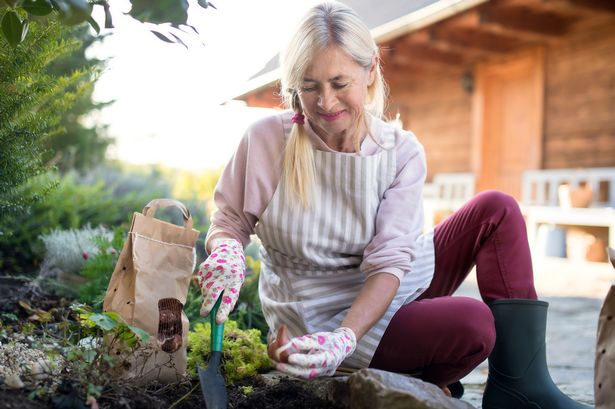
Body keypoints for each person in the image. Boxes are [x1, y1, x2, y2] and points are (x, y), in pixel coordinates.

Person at [195, 2, 590, 407]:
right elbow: (230, 219)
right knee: (472, 324)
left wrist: (348, 336)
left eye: (338, 82)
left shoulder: (399, 151)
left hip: (383, 289)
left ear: (369, 73)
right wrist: (226, 249)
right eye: (309, 86)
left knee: (497, 208)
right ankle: (412, 375)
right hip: (316, 315)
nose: (326, 102)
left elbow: (388, 264)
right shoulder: (267, 139)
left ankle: (521, 388)